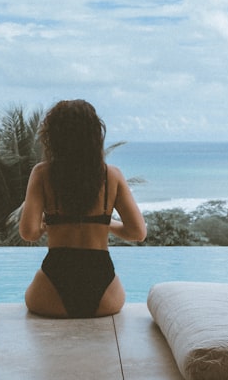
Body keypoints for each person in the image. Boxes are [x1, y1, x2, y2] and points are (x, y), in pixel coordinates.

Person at [19, 99, 147, 318]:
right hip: (104, 293)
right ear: (95, 135)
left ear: (52, 137)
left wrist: (45, 225)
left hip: (52, 289)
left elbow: (29, 233)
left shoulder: (42, 173)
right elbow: (137, 233)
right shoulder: (112, 175)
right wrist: (105, 224)